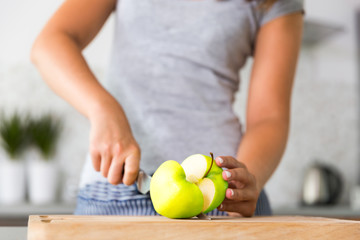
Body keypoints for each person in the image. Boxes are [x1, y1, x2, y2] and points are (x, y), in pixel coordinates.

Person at [31, 0, 304, 217]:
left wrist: (245, 182)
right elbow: (51, 43)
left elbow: (269, 117)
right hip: (117, 192)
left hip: (220, 202)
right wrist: (104, 110)